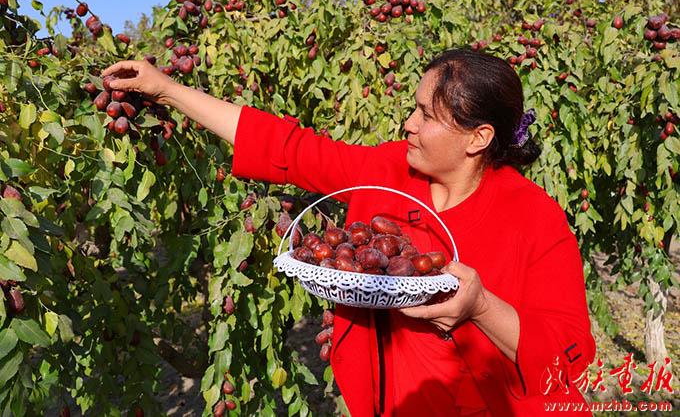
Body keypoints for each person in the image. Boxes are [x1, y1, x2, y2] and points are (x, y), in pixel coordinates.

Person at [103, 48, 596, 416]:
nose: (408, 124)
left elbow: (568, 354)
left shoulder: (535, 219)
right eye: (414, 107)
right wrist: (164, 88)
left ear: (478, 138)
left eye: (426, 115)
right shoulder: (387, 170)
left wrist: (482, 308)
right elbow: (287, 148)